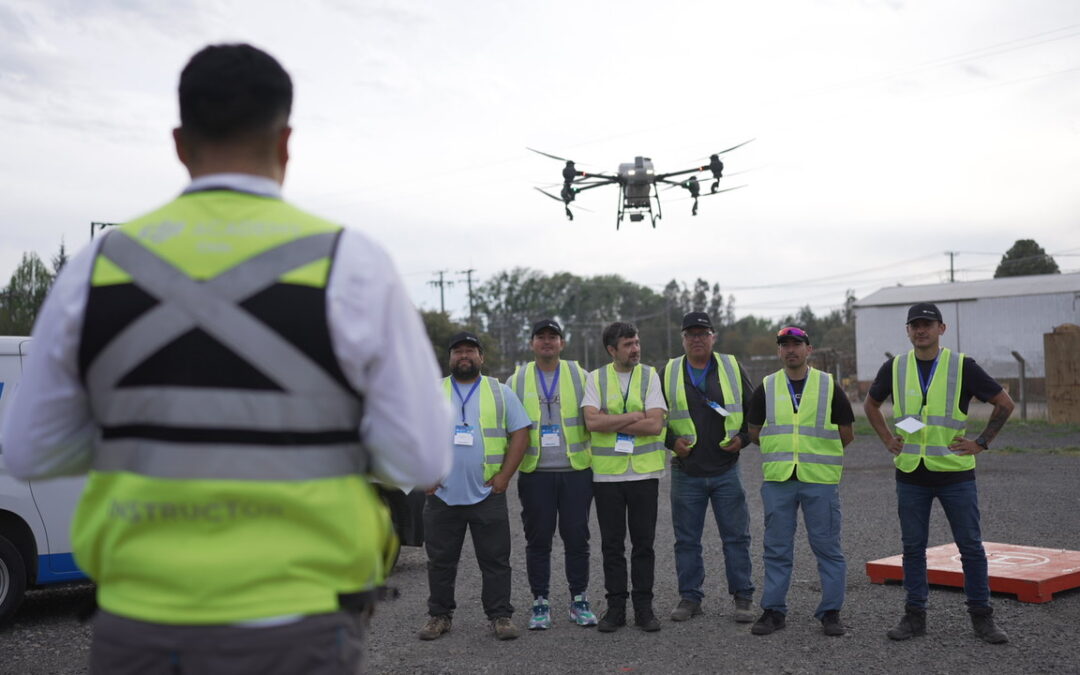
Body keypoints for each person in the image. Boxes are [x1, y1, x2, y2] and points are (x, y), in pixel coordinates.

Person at [0, 43, 451, 674]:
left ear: (180, 143)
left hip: (142, 623)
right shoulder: (353, 265)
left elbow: (27, 451)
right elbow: (423, 457)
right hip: (302, 625)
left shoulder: (96, 270)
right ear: (286, 141)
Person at [863, 302, 1014, 644]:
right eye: (915, 325)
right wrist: (887, 438)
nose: (921, 330)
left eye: (928, 324)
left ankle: (982, 617)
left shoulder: (962, 366)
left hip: (954, 474)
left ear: (941, 329)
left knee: (971, 548)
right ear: (907, 330)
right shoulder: (896, 367)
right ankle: (914, 617)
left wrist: (982, 442)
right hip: (911, 474)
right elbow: (871, 404)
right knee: (913, 549)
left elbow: (1005, 403)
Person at [418, 331, 530, 642]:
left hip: (486, 494)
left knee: (495, 560)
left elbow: (521, 433)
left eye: (470, 351)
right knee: (440, 561)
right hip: (441, 495)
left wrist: (505, 476)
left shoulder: (499, 391)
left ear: (481, 357)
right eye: (458, 352)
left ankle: (500, 616)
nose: (464, 356)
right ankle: (439, 616)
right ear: (449, 358)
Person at [747, 326, 854, 637]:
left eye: (797, 344)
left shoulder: (828, 385)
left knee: (827, 547)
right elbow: (754, 431)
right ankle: (773, 611)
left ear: (809, 349)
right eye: (785, 345)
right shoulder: (767, 386)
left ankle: (831, 612)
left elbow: (846, 433)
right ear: (779, 351)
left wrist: (814, 452)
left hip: (819, 480)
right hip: (780, 479)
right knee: (776, 548)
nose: (791, 350)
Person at [660, 312, 755, 624]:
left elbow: (754, 409)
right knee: (686, 540)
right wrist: (671, 441)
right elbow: (655, 416)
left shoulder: (730, 366)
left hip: (727, 469)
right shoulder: (670, 370)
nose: (697, 339)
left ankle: (743, 597)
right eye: (691, 334)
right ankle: (690, 597)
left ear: (714, 337)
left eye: (703, 333)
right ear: (683, 339)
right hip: (686, 471)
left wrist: (743, 439)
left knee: (736, 537)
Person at [505, 319, 597, 630]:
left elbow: (595, 417)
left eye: (552, 337)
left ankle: (579, 600)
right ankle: (540, 602)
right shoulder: (516, 380)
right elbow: (508, 428)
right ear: (531, 343)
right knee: (538, 540)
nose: (547, 342)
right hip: (536, 474)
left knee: (577, 538)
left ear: (562, 343)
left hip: (575, 471)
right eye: (541, 337)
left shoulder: (578, 374)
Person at [582, 322, 667, 633]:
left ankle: (644, 608)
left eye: (636, 342)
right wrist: (634, 416)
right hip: (607, 477)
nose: (635, 349)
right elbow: (591, 422)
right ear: (611, 350)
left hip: (645, 474)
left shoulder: (650, 376)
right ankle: (616, 608)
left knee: (644, 545)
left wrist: (611, 420)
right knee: (612, 546)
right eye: (628, 344)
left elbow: (655, 425)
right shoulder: (595, 378)